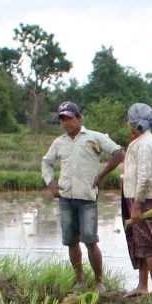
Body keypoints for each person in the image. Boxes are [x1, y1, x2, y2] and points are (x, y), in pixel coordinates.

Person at [41, 101, 126, 287]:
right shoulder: (59, 142)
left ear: (79, 117)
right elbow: (46, 162)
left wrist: (102, 175)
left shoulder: (95, 138)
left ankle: (99, 282)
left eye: (70, 118)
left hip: (87, 197)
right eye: (62, 119)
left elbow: (120, 153)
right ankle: (79, 280)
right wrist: (51, 182)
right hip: (66, 198)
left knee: (90, 240)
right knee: (71, 241)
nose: (66, 122)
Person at [121, 103, 152, 297]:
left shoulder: (145, 144)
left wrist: (137, 205)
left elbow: (144, 175)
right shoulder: (141, 141)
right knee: (140, 241)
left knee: (147, 242)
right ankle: (142, 286)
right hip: (136, 196)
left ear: (133, 122)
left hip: (143, 199)